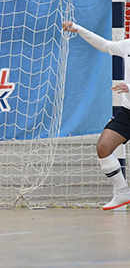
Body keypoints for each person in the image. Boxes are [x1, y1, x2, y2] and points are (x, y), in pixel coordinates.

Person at [63, 21, 130, 210]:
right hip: (128, 112)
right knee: (103, 147)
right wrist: (79, 28)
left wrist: (128, 87)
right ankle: (122, 192)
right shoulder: (126, 45)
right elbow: (105, 45)